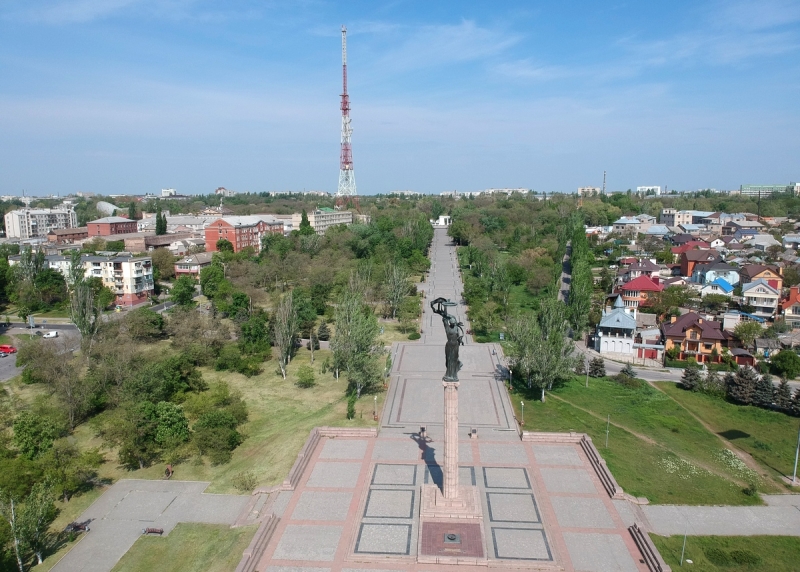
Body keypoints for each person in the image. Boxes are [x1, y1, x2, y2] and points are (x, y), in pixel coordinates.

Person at [430, 297, 464, 381]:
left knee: (454, 359)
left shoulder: (455, 327)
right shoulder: (447, 328)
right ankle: (449, 374)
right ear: (450, 323)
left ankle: (454, 374)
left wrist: (460, 339)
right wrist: (444, 306)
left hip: (455, 345)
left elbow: (458, 335)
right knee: (448, 360)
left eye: (453, 322)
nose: (452, 323)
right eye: (451, 322)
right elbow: (445, 318)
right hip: (449, 346)